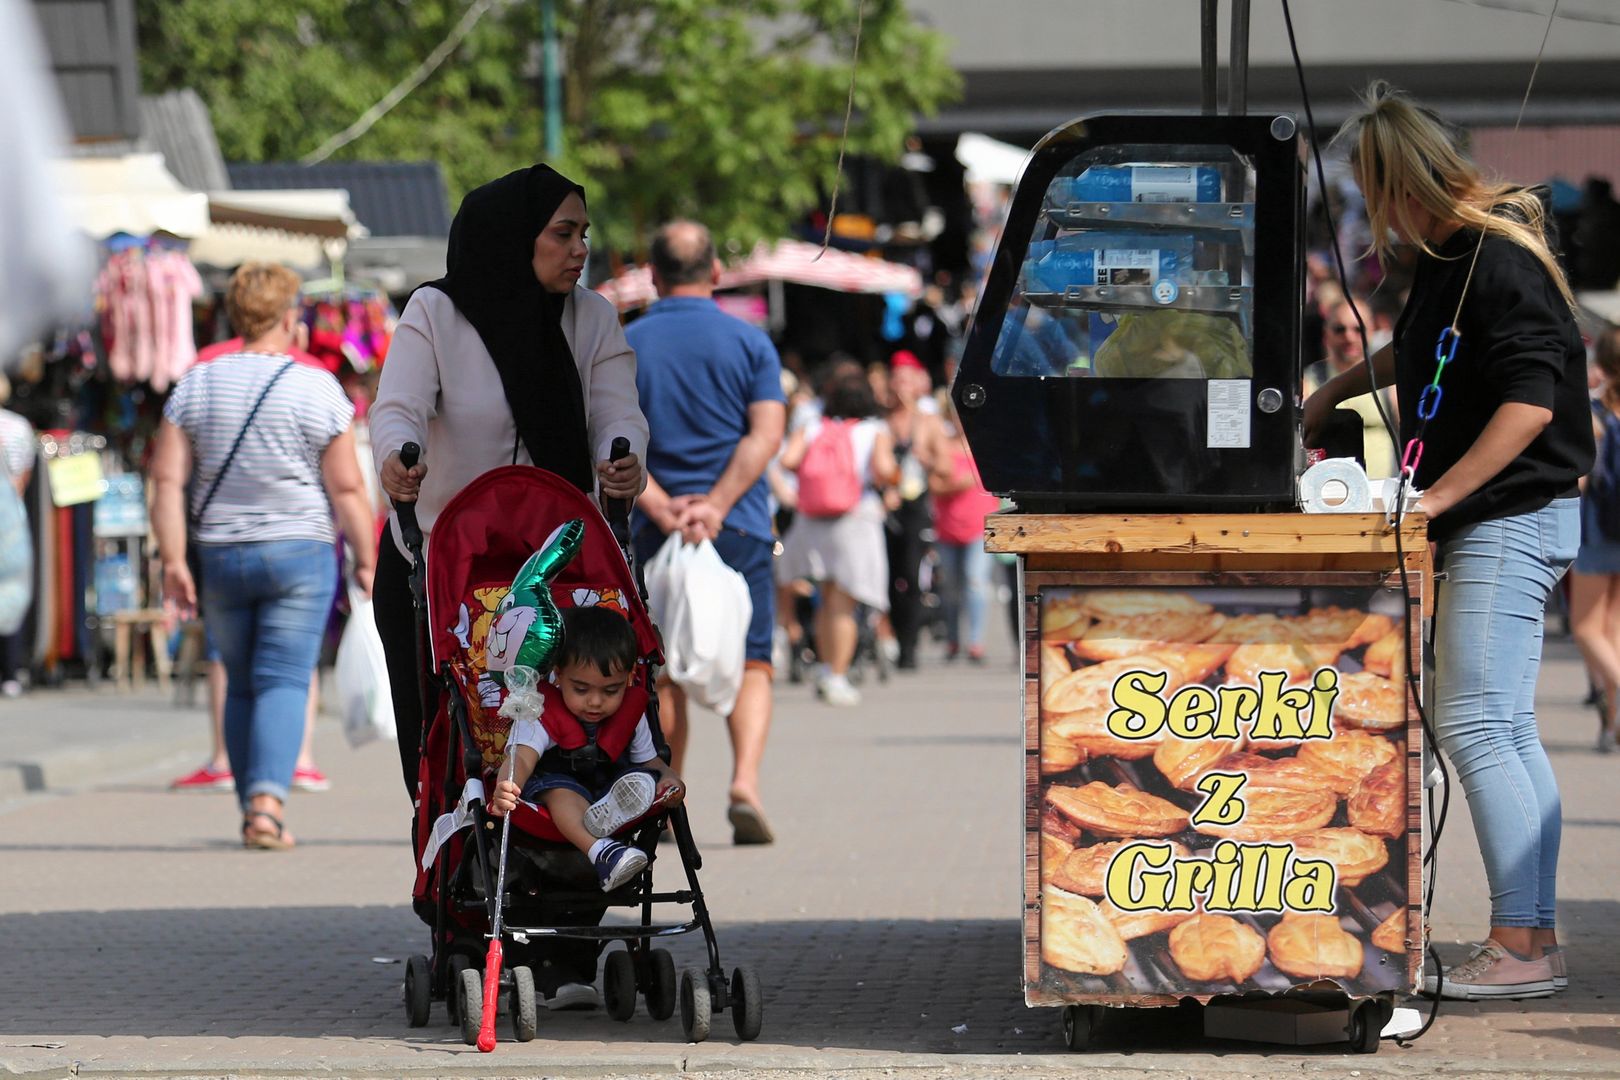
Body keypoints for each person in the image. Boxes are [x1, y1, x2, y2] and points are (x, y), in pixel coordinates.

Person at [1305, 82, 1594, 999]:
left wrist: (1432, 500)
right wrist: (1338, 386)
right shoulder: (1451, 258)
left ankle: (1520, 946)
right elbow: (1428, 349)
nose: (1365, 212)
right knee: (1502, 726)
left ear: (1398, 182)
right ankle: (1530, 936)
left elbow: (1530, 403)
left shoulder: (1495, 261)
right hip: (1511, 512)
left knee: (1475, 724)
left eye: (1367, 191)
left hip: (1511, 513)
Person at [370, 164, 647, 799]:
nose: (580, 249)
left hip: (557, 574)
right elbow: (398, 407)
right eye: (562, 233)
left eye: (584, 233)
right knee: (439, 743)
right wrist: (395, 457)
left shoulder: (592, 318)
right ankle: (449, 858)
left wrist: (621, 457)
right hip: (440, 570)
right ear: (515, 236)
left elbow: (616, 411)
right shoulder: (436, 312)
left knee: (571, 730)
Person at [151, 262, 377, 850]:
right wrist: (368, 557)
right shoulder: (316, 385)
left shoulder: (195, 383)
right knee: (284, 678)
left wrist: (174, 559)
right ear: (289, 317)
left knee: (241, 678)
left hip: (220, 553)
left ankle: (250, 798)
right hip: (300, 552)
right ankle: (266, 807)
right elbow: (348, 487)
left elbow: (167, 482)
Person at [627, 220, 785, 846]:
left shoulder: (626, 345)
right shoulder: (750, 343)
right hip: (740, 525)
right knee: (753, 659)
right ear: (716, 272)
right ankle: (744, 781)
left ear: (653, 275)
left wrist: (665, 507)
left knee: (659, 671)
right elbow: (765, 434)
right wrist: (717, 505)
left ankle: (667, 786)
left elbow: (609, 444)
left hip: (651, 530)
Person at [489, 606, 684, 890]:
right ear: (558, 674)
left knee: (643, 779)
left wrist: (668, 777)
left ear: (629, 677)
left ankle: (615, 808)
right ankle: (603, 852)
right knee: (560, 794)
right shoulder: (541, 710)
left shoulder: (631, 713)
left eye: (611, 691)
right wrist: (508, 785)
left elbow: (650, 761)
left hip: (609, 782)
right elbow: (522, 758)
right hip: (559, 781)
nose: (595, 702)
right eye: (581, 690)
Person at [776, 373, 898, 707]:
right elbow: (885, 470)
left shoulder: (813, 427)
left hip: (813, 521)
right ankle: (838, 675)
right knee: (844, 603)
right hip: (854, 521)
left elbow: (787, 461)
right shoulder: (874, 431)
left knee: (826, 597)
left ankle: (826, 666)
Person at [1570, 328, 1620, 753]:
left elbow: (1581, 481)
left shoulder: (1595, 415)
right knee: (1613, 629)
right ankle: (1613, 725)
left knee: (1587, 627)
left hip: (1601, 530)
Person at [883, 350, 942, 669]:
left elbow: (945, 465)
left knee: (912, 574)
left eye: (906, 380)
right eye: (896, 380)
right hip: (885, 507)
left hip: (916, 506)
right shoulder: (881, 420)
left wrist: (926, 457)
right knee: (887, 577)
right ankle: (893, 636)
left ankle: (909, 644)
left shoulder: (928, 421)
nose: (900, 386)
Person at [1301, 296, 1400, 480]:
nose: (1349, 336)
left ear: (1372, 331)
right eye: (1340, 329)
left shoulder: (1389, 385)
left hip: (1381, 494)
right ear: (1326, 334)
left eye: (1358, 329)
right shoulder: (1309, 380)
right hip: (1326, 493)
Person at [930, 402, 999, 664]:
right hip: (948, 527)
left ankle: (975, 642)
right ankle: (952, 639)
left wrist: (953, 482)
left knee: (975, 581)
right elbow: (935, 485)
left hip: (978, 526)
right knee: (949, 588)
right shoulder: (943, 447)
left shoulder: (985, 446)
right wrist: (961, 483)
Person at [0, 376, 34, 698]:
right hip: (9, 519)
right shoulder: (18, 427)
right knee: (11, 592)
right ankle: (10, 672)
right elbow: (23, 475)